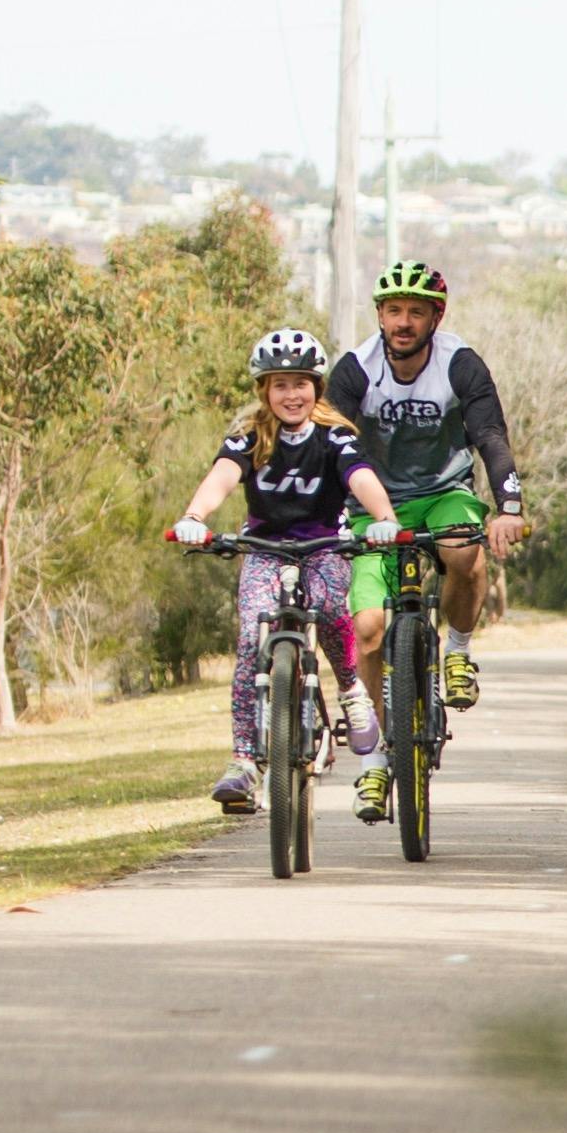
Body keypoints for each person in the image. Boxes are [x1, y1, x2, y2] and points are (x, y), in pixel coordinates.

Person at [167, 329, 404, 814]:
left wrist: (385, 520)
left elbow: (360, 476)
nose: (291, 394)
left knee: (335, 614)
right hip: (265, 549)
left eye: (301, 383)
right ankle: (244, 761)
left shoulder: (334, 434)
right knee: (253, 637)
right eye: (280, 385)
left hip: (323, 547)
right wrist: (194, 518)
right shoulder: (250, 434)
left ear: (316, 387)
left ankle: (351, 691)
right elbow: (223, 475)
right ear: (264, 391)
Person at [323, 261, 520, 811]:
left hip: (444, 493)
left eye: (415, 311)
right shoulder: (356, 370)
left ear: (437, 315)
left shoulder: (460, 364)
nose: (403, 322)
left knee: (464, 550)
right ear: (380, 316)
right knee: (366, 631)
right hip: (372, 505)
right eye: (393, 311)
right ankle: (377, 761)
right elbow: (330, 447)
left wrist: (508, 506)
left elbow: (489, 436)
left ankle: (457, 650)